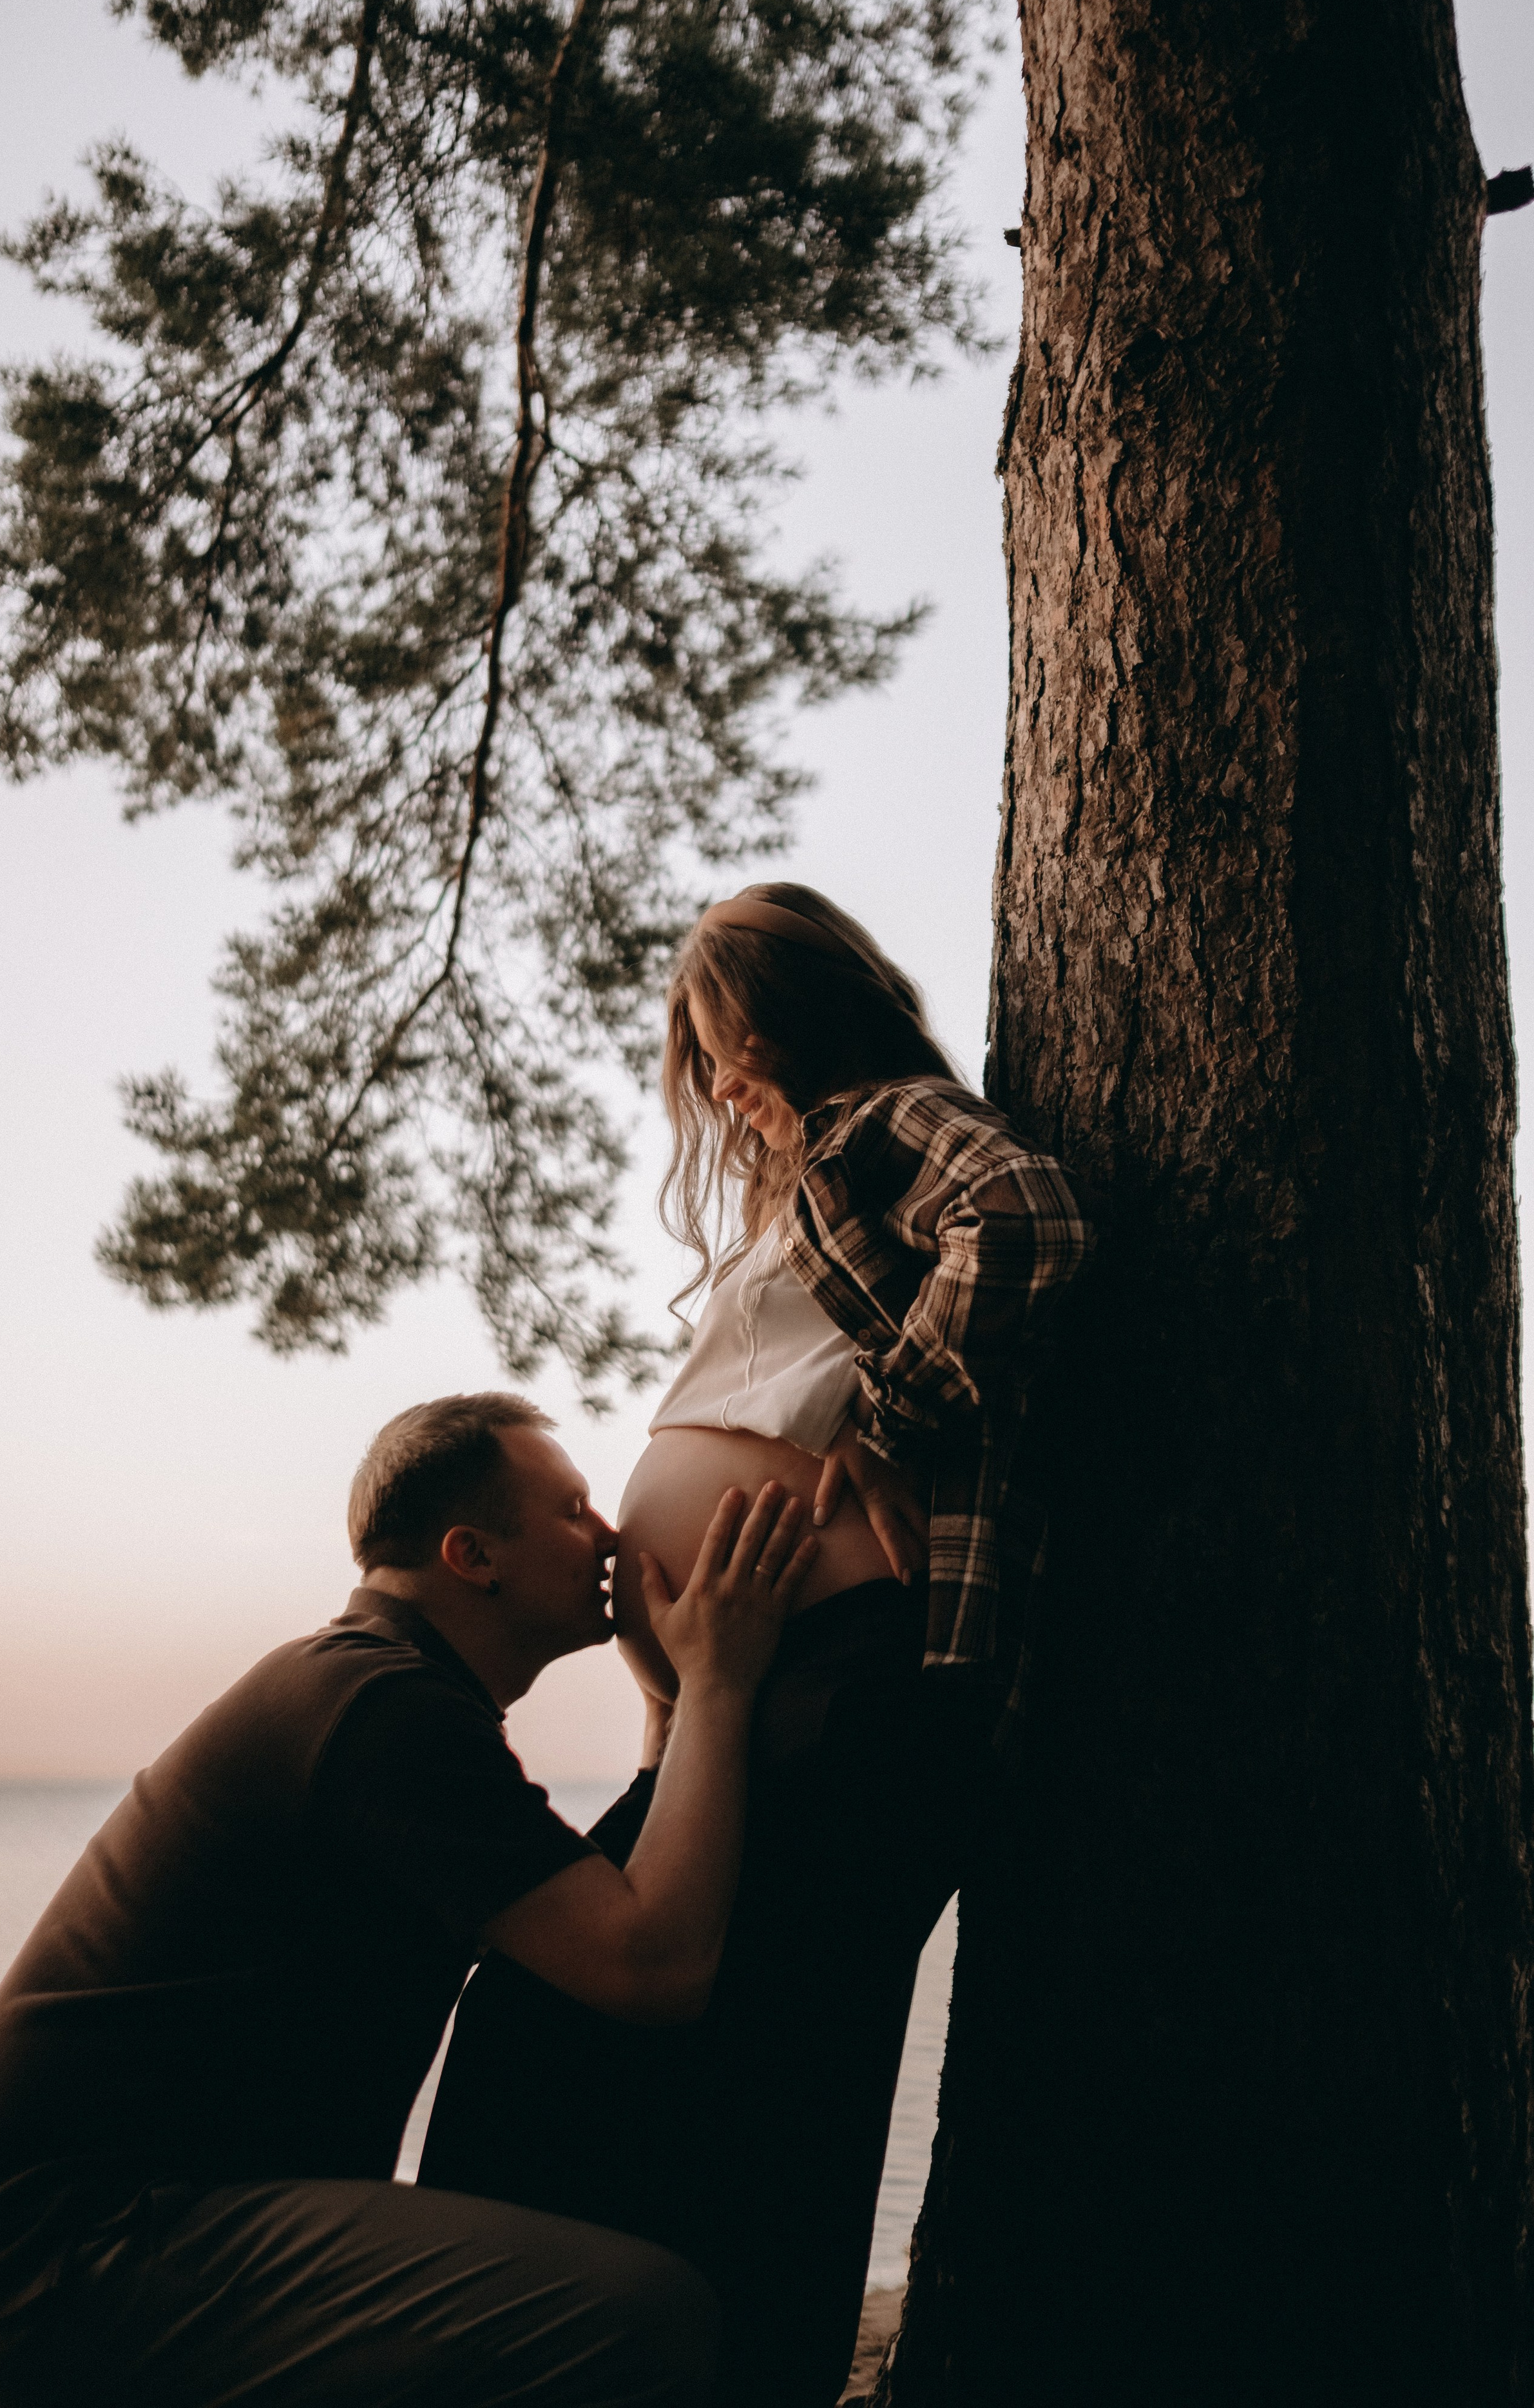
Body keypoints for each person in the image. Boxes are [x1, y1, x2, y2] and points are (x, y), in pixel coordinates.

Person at [421, 887, 1098, 2407]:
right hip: (752, 1699)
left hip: (856, 1686)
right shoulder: (799, 1191)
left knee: (766, 2080)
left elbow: (1029, 1217)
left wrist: (891, 1415)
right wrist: (669, 1705)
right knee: (588, 2028)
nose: (721, 1086)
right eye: (702, 1061)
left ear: (801, 1022)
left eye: (731, 1049)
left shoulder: (876, 1126)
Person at [0, 1392, 821, 2408]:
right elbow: (652, 1964)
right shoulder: (380, 1713)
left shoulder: (380, 1691)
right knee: (650, 2314)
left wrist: (669, 1704)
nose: (609, 1536)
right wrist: (719, 1685)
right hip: (81, 2261)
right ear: (473, 1556)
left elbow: (602, 1905)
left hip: (89, 2247)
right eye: (572, 1511)